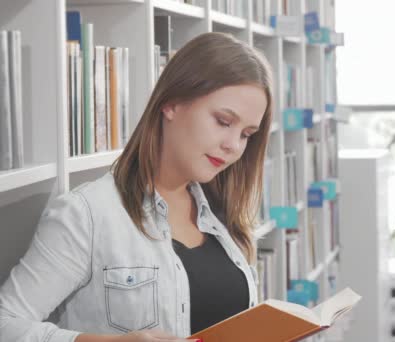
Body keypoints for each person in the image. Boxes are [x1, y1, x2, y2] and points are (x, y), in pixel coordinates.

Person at [0, 31, 274, 341]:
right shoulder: (87, 215)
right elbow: (6, 323)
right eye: (224, 122)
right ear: (172, 103)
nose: (233, 146)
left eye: (246, 134)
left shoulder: (226, 215)